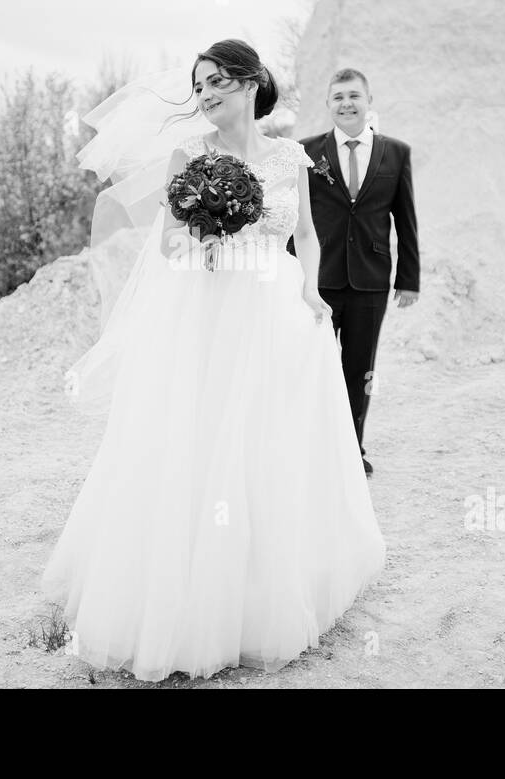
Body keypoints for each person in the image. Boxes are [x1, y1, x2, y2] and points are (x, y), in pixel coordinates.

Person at [42, 39, 386, 683]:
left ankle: (266, 588)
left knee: (266, 444)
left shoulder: (290, 156)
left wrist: (312, 290)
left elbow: (306, 236)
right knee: (199, 440)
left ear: (252, 83)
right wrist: (201, 234)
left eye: (217, 82)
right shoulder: (189, 156)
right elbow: (168, 242)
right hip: (208, 309)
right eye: (198, 86)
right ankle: (186, 594)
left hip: (274, 305)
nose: (205, 95)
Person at [285, 69, 420, 476]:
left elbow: (405, 219)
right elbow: (296, 220)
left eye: (354, 96)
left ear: (368, 100)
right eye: (338, 97)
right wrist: (291, 276)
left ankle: (350, 451)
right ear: (328, 105)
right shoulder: (304, 152)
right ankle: (307, 447)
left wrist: (408, 280)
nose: (347, 103)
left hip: (370, 281)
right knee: (312, 367)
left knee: (359, 371)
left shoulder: (396, 153)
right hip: (317, 281)